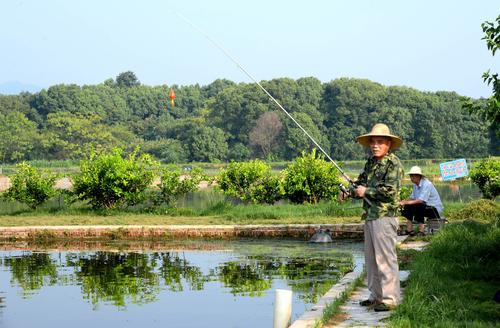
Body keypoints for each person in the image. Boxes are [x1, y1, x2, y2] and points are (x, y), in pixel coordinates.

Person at [352, 123, 404, 312]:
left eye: (380, 142)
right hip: (370, 215)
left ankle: (390, 299)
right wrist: (350, 191)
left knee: (385, 258)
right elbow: (360, 183)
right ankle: (376, 296)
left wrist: (366, 190)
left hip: (384, 216)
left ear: (388, 144)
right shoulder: (370, 163)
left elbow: (390, 192)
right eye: (373, 142)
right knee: (371, 259)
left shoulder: (394, 164)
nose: (375, 145)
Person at [400, 166, 444, 236]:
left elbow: (421, 201)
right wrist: (403, 202)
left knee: (418, 205)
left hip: (434, 209)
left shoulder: (427, 184)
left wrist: (407, 202)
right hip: (425, 207)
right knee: (408, 206)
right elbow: (412, 198)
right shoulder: (415, 185)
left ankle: (422, 230)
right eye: (410, 176)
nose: (411, 178)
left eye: (413, 176)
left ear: (418, 176)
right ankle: (409, 230)